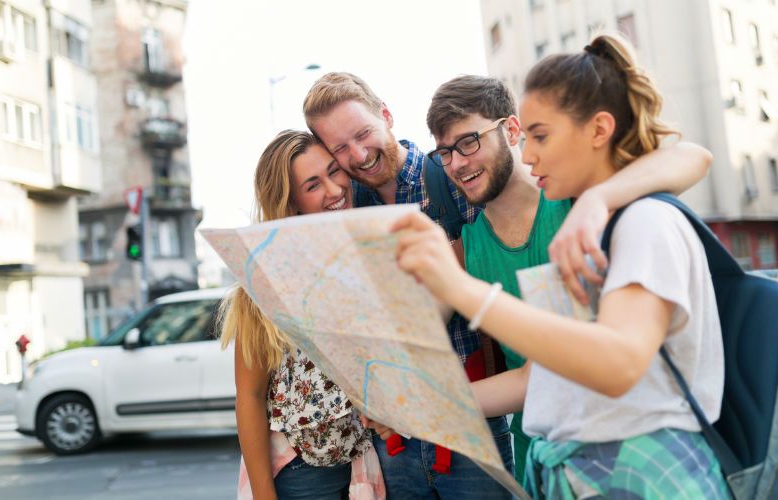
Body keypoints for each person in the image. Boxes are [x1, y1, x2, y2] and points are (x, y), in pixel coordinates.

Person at [393, 33, 731, 500]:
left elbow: (615, 363)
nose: (531, 156)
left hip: (637, 472)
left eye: (541, 136)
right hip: (570, 467)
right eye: (444, 152)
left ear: (597, 130)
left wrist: (598, 199)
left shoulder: (630, 219)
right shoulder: (487, 239)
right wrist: (409, 402)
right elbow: (542, 375)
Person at [303, 72, 515, 500]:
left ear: (387, 115)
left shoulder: (450, 175)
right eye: (340, 148)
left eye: (363, 134)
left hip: (468, 419)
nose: (359, 155)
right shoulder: (346, 207)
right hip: (391, 437)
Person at [218, 130, 383, 500]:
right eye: (313, 184)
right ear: (290, 201)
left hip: (366, 462)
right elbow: (250, 395)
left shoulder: (364, 256)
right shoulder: (265, 279)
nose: (335, 189)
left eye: (333, 172)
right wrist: (264, 496)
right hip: (302, 475)